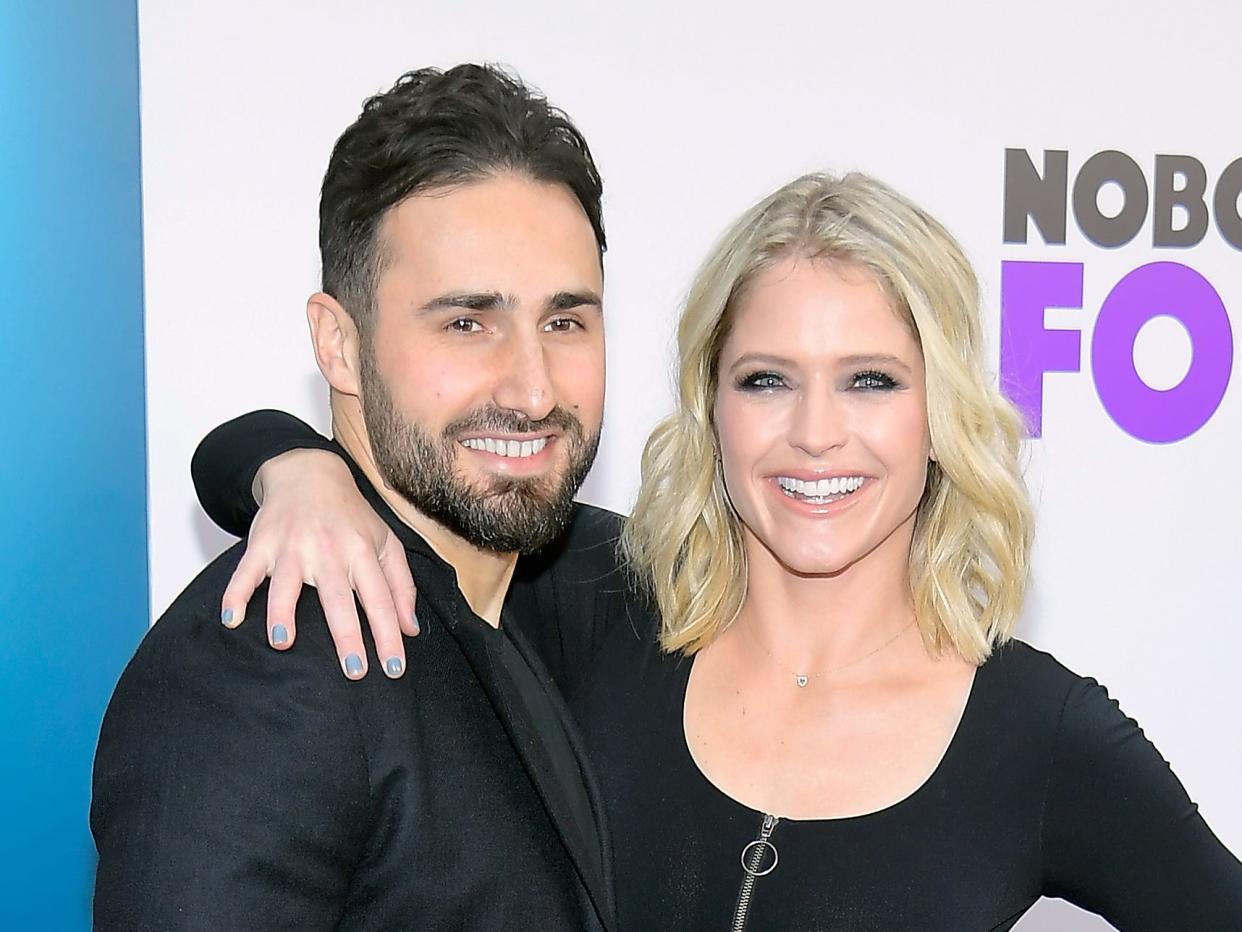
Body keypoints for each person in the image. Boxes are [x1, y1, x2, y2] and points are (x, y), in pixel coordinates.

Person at [193, 174, 1242, 929]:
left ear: (944, 409)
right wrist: (298, 471)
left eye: (871, 378)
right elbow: (245, 455)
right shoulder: (594, 598)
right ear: (710, 405)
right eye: (766, 379)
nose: (816, 432)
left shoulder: (1038, 731)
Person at [91, 64, 621, 931]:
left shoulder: (564, 585)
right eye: (465, 323)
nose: (532, 390)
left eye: (565, 321)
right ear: (338, 345)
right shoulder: (266, 663)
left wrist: (271, 457)